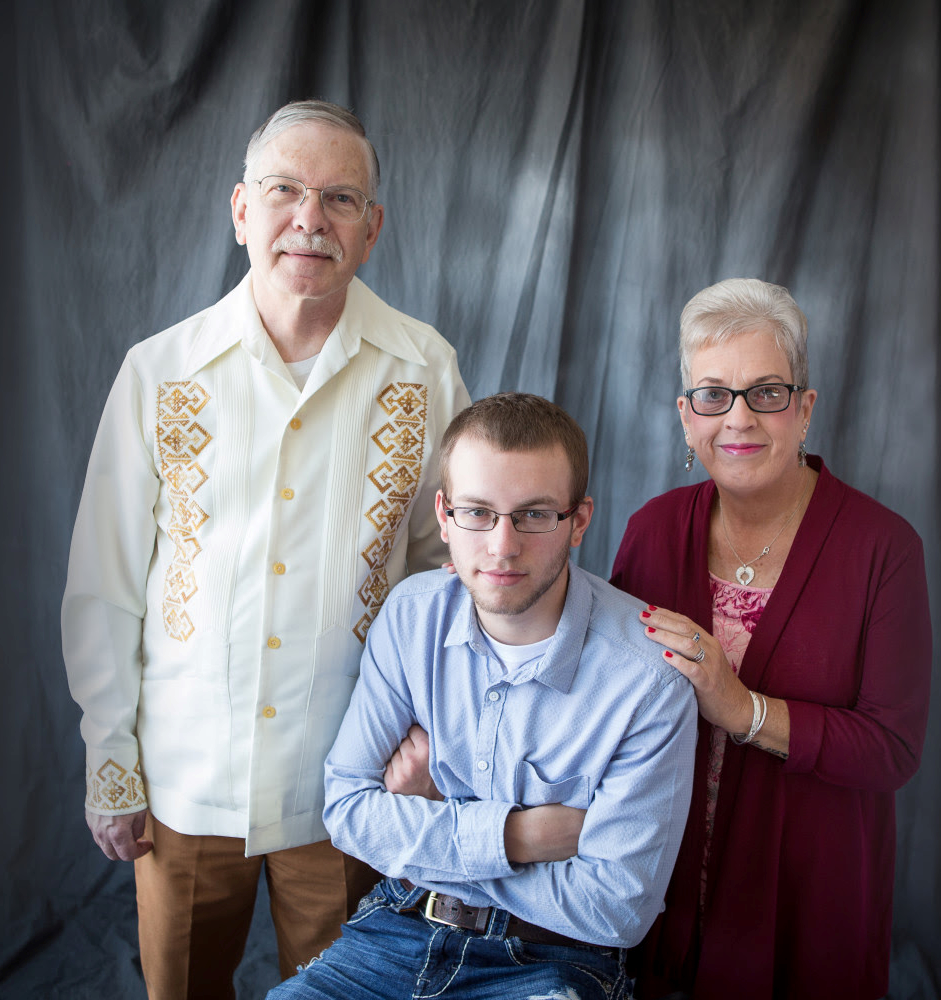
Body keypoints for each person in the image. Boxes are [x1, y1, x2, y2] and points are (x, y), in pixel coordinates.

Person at [61, 99, 470, 998]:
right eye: (285, 190)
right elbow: (105, 584)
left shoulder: (423, 368)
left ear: (373, 227)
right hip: (184, 773)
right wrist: (111, 760)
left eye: (339, 198)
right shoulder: (160, 371)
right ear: (242, 209)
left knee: (343, 991)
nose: (309, 219)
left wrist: (430, 733)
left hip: (351, 777)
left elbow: (448, 571)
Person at [267, 392, 698, 1000]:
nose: (501, 545)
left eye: (534, 515)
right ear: (444, 515)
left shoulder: (649, 680)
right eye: (477, 513)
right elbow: (346, 808)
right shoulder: (413, 615)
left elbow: (615, 910)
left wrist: (431, 820)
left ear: (578, 521)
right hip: (397, 930)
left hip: (549, 960)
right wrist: (517, 837)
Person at [609, 279, 932, 999]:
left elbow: (894, 751)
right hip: (661, 881)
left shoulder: (883, 548)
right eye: (713, 394)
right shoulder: (653, 531)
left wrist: (743, 708)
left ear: (805, 409)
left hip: (807, 901)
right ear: (686, 417)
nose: (739, 418)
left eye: (767, 392)